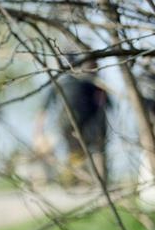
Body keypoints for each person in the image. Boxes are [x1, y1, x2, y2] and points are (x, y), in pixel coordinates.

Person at [36, 55, 111, 186]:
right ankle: (81, 180)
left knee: (76, 152)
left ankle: (77, 180)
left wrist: (38, 131)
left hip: (69, 124)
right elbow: (105, 105)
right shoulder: (88, 82)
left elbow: (43, 110)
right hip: (81, 125)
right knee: (83, 152)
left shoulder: (62, 82)